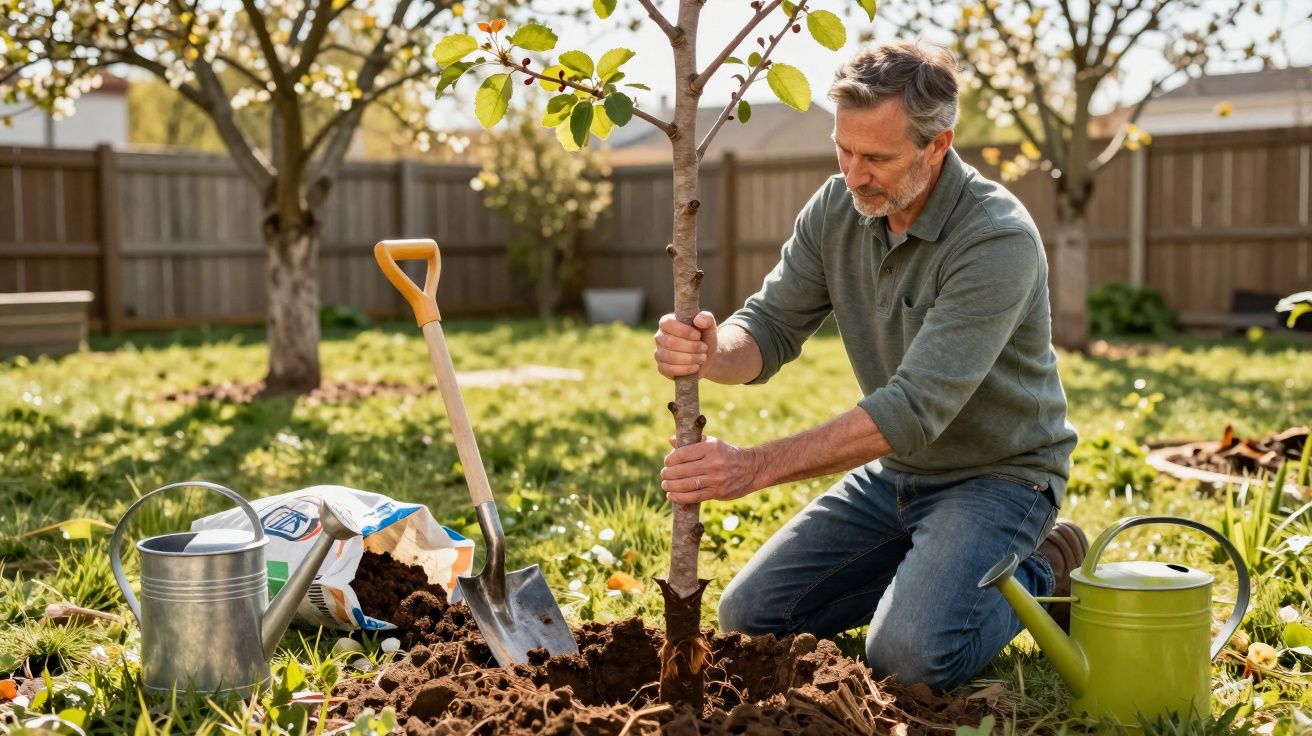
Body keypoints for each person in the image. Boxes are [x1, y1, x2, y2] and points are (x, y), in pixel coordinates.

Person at [652, 39, 1087, 692]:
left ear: (935, 146)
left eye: (876, 158)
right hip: (899, 477)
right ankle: (931, 570)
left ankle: (1046, 566)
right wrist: (714, 351)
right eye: (843, 150)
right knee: (748, 615)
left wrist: (753, 466)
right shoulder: (838, 209)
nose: (853, 174)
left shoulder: (996, 239)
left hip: (1000, 479)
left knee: (908, 659)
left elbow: (913, 409)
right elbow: (768, 329)